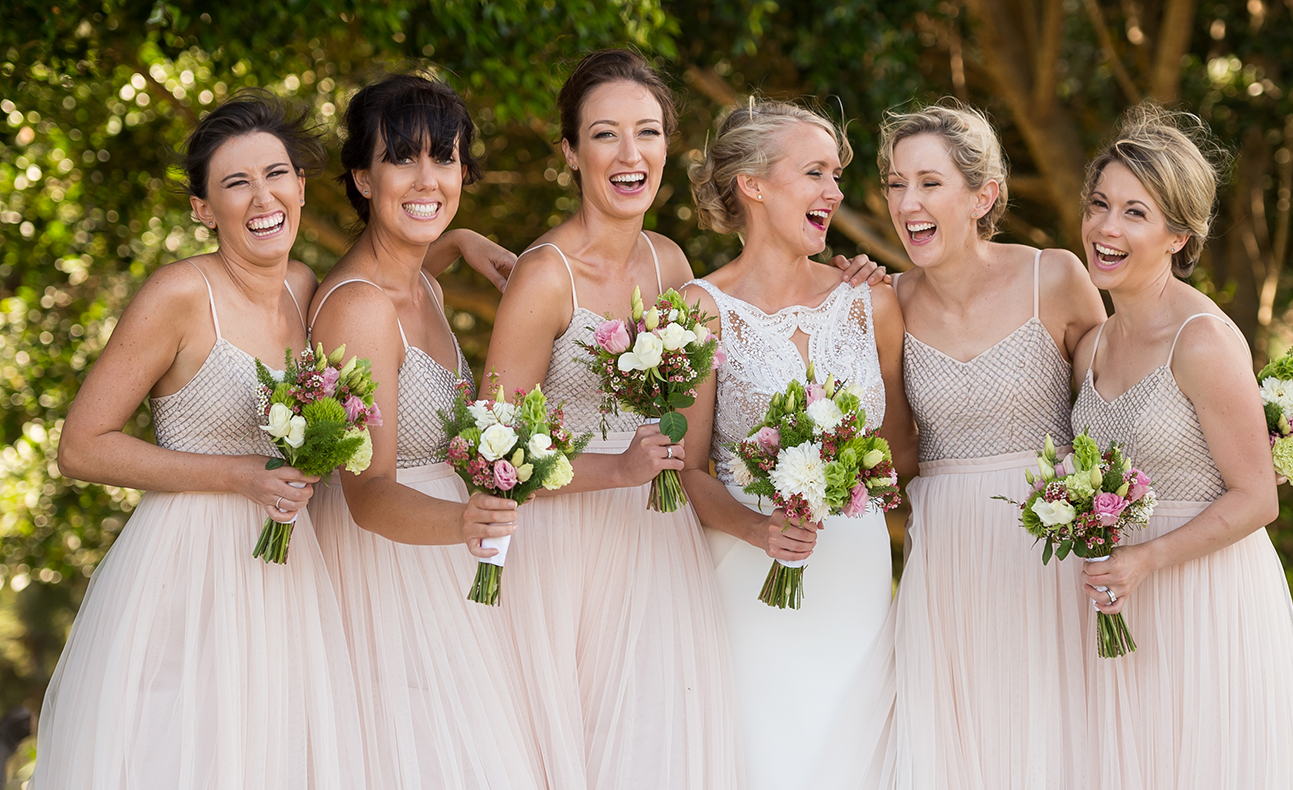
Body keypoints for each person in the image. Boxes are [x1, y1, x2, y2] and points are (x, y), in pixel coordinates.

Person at [36, 90, 365, 788]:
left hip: (288, 574)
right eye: (235, 184)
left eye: (275, 175)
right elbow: (82, 445)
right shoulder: (179, 294)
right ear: (202, 209)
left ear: (301, 187)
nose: (261, 197)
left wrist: (459, 243)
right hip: (188, 570)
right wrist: (239, 476)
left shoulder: (308, 289)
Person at [1067, 104, 1293, 789]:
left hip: (1206, 595)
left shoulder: (1202, 340)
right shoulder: (1095, 342)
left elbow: (1258, 496)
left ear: (1179, 235)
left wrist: (1148, 557)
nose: (1107, 228)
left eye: (1135, 213)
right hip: (1124, 599)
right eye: (1100, 204)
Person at [478, 49, 741, 790]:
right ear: (570, 151)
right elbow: (490, 458)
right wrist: (618, 469)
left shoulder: (673, 264)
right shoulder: (544, 276)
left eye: (648, 132)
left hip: (659, 543)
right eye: (605, 135)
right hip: (564, 554)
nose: (631, 155)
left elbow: (691, 441)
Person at [303, 74, 542, 790]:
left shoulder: (422, 284)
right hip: (391, 580)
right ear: (362, 176)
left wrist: (460, 240)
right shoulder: (360, 310)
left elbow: (413, 258)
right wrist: (467, 519)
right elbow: (368, 494)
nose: (428, 177)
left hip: (439, 565)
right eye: (403, 157)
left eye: (445, 157)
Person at [678, 98, 916, 790]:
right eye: (815, 172)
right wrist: (759, 527)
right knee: (765, 750)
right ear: (752, 184)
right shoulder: (700, 310)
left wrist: (854, 474)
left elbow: (899, 447)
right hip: (747, 576)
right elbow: (689, 472)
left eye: (836, 175)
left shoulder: (870, 300)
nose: (835, 193)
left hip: (855, 567)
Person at [882, 102, 1105, 789]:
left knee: (1059, 739)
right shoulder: (889, 301)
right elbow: (896, 454)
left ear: (983, 196)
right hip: (945, 554)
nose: (907, 202)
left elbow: (1114, 411)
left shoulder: (1056, 277)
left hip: (1049, 550)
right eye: (894, 183)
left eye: (928, 182)